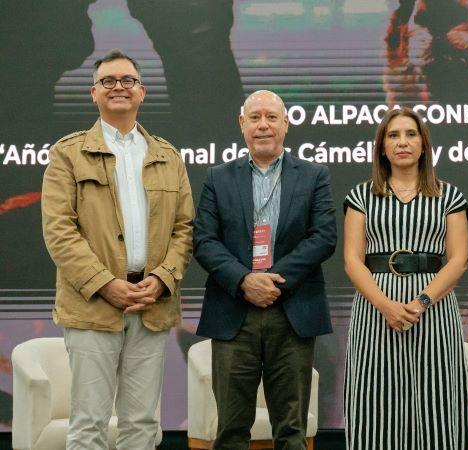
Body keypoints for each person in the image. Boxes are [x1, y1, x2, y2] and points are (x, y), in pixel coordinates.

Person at [40, 49, 194, 449]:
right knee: (89, 422)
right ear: (94, 92)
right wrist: (105, 284)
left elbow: (184, 228)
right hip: (92, 306)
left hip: (150, 305)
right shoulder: (67, 154)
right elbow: (59, 230)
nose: (118, 87)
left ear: (142, 91)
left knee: (142, 424)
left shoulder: (168, 156)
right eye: (108, 81)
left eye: (128, 80)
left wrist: (161, 279)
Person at [193, 90, 337, 450]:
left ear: (286, 124)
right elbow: (204, 241)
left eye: (271, 117)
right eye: (255, 117)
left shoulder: (314, 175)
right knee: (230, 430)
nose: (263, 125)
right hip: (233, 313)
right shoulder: (218, 177)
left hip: (292, 312)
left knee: (291, 431)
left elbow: (323, 237)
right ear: (242, 124)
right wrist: (245, 280)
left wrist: (272, 281)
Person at [342, 107, 468, 450]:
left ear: (424, 145)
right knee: (375, 401)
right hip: (375, 310)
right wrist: (385, 305)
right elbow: (352, 261)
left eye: (411, 134)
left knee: (436, 401)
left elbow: (458, 260)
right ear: (382, 147)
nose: (402, 142)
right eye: (393, 135)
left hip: (434, 310)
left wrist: (421, 302)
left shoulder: (449, 196)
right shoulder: (361, 196)